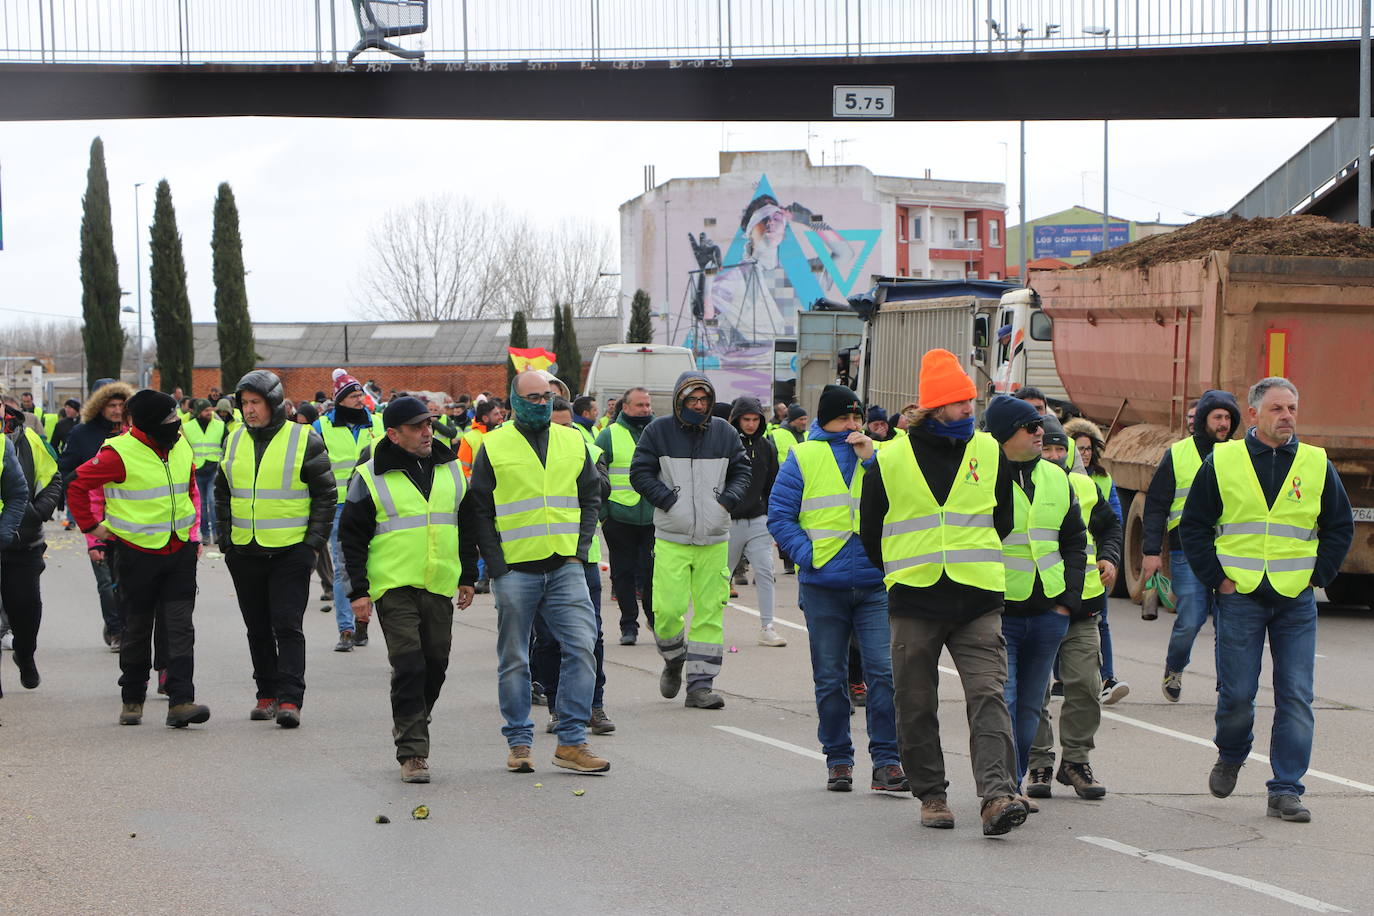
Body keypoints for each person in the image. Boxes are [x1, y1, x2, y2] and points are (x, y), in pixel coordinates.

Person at [858, 349, 1027, 837]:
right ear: (934, 408)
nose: (967, 410)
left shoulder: (990, 452)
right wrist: (899, 571)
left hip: (977, 598)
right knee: (914, 700)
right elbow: (871, 532)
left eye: (970, 400)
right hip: (914, 598)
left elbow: (1005, 520)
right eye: (957, 403)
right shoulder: (888, 460)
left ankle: (996, 795)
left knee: (988, 694)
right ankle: (932, 794)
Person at [1180, 377, 1352, 823]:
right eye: (1277, 408)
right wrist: (1217, 579)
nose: (1287, 416)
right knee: (1237, 694)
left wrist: (1320, 575)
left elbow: (1339, 526)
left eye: (1292, 407)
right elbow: (1194, 525)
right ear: (1253, 415)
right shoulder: (1223, 461)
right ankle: (1233, 752)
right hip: (1240, 595)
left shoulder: (1316, 462)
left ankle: (1286, 789)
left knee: (1296, 695)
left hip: (1296, 598)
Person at [468, 372, 609, 775]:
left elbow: (590, 497)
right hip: (515, 570)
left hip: (564, 565)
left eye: (547, 396)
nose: (541, 403)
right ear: (514, 401)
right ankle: (518, 741)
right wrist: (496, 565)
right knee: (514, 659)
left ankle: (572, 740)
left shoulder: (573, 440)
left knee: (582, 647)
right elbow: (479, 508)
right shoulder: (493, 445)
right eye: (533, 397)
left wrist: (579, 553)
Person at [770, 385, 908, 793]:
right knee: (830, 678)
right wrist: (807, 555)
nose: (852, 425)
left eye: (856, 418)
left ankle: (887, 761)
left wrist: (872, 461)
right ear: (825, 420)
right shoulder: (803, 455)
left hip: (874, 584)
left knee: (884, 674)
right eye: (844, 418)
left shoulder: (881, 455)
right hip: (823, 585)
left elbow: (904, 503)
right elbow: (780, 516)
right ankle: (838, 760)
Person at [339, 396, 478, 783]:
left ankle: (414, 714)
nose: (427, 432)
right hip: (393, 585)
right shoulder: (369, 475)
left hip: (439, 582)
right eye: (417, 427)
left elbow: (466, 524)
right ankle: (412, 751)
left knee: (436, 662)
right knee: (409, 663)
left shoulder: (450, 467)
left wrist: (468, 575)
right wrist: (359, 591)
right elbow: (351, 537)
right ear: (393, 434)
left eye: (429, 425)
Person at [68, 389, 209, 729]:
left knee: (180, 628)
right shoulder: (118, 452)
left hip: (178, 551)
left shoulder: (181, 444)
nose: (176, 425)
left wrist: (194, 534)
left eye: (177, 419)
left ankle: (181, 701)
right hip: (136, 555)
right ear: (145, 424)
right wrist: (93, 529)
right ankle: (132, 697)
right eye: (168, 421)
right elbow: (75, 485)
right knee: (137, 628)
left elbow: (190, 488)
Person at [216, 371, 335, 728]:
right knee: (257, 627)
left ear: (273, 403)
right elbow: (222, 492)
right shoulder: (234, 439)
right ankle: (265, 693)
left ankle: (289, 699)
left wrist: (312, 545)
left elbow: (326, 495)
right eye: (245, 403)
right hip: (244, 550)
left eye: (256, 403)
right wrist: (225, 540)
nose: (249, 410)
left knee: (287, 625)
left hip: (290, 551)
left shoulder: (304, 439)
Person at [630, 371, 750, 710]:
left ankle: (700, 686)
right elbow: (640, 472)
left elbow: (743, 471)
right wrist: (669, 501)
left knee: (710, 612)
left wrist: (726, 501)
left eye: (704, 400)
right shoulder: (658, 431)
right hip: (672, 536)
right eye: (692, 400)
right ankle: (674, 658)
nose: (699, 405)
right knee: (666, 610)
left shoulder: (726, 433)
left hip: (714, 537)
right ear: (679, 401)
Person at [993, 398, 1087, 807]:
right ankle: (1005, 789)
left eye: (1040, 427)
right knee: (1006, 702)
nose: (1039, 433)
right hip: (1000, 611)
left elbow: (1074, 542)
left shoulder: (1056, 477)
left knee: (1031, 705)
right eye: (1029, 427)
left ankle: (1009, 785)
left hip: (1048, 610)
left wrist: (1067, 602)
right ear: (1003, 435)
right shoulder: (983, 478)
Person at [1025, 415, 1121, 802]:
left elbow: (1111, 527)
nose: (1052, 455)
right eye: (1045, 448)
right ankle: (1039, 761)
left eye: (1059, 449)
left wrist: (1111, 557)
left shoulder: (1081, 485)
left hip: (1083, 604)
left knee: (1085, 684)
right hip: (1033, 605)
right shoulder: (1017, 483)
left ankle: (1076, 761)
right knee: (1035, 692)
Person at [1142, 389, 1241, 702]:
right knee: (1191, 619)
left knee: (1229, 624)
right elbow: (1157, 505)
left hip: (1231, 550)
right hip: (1188, 551)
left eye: (1228, 417)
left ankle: (1227, 686)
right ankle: (1174, 667)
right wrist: (1151, 552)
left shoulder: (1243, 454)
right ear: (1203, 420)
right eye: (1218, 417)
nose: (1224, 423)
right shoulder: (1179, 453)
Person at [533, 398, 615, 737]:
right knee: (550, 639)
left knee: (590, 636)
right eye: (556, 426)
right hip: (537, 557)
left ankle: (594, 706)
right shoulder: (530, 458)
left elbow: (604, 488)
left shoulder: (589, 452)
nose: (563, 432)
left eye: (568, 426)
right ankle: (556, 707)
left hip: (583, 559)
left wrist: (579, 469)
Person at [58, 381, 132, 650]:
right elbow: (64, 472)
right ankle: (115, 630)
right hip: (95, 517)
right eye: (111, 405)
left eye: (121, 405)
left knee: (126, 582)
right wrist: (77, 490)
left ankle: (124, 625)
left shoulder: (133, 433)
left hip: (130, 519)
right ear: (99, 407)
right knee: (105, 581)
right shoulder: (82, 434)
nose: (116, 410)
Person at [312, 368, 380, 652]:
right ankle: (346, 629)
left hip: (375, 504)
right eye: (352, 395)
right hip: (339, 506)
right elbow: (311, 467)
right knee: (342, 569)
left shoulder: (377, 422)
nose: (358, 399)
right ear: (339, 399)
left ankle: (362, 621)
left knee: (372, 566)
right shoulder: (321, 427)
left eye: (360, 394)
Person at [1064, 417, 1128, 704]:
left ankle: (1107, 677)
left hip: (1092, 566)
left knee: (1100, 623)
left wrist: (1109, 555)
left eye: (1088, 448)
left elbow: (1113, 518)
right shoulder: (1056, 479)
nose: (1085, 453)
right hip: (1065, 566)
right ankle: (1063, 676)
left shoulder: (1101, 479)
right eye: (1079, 448)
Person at [0, 397, 57, 691]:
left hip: (23, 542)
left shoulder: (29, 437)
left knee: (26, 611)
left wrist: (38, 512)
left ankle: (25, 653)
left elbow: (53, 477)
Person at [595, 387, 657, 645]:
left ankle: (655, 619)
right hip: (619, 517)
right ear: (626, 407)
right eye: (640, 405)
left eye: (647, 405)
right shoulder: (609, 435)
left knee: (654, 571)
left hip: (655, 516)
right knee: (623, 573)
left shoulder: (659, 433)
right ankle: (628, 625)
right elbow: (594, 476)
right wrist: (604, 515)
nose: (645, 409)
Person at [727, 397, 783, 647]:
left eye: (755, 419)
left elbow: (773, 483)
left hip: (759, 520)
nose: (750, 424)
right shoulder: (726, 445)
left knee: (765, 571)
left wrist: (773, 515)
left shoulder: (767, 446)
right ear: (737, 419)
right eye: (746, 419)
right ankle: (711, 625)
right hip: (728, 520)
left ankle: (767, 627)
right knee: (720, 577)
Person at [181, 399, 226, 543]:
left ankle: (217, 534)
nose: (209, 413)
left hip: (214, 469)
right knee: (201, 504)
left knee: (213, 502)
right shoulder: (187, 428)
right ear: (199, 412)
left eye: (210, 410)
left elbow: (227, 445)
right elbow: (183, 448)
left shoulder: (220, 425)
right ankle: (205, 535)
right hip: (197, 470)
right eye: (206, 410)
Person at [457, 399, 504, 478]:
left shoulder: (503, 433)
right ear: (485, 418)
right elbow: (463, 470)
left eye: (500, 413)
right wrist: (475, 487)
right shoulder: (469, 438)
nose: (501, 417)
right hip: (480, 487)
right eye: (496, 414)